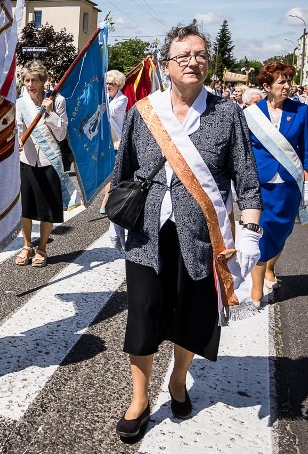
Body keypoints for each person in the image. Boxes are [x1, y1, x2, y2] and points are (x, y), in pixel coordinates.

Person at [110, 22, 262, 439]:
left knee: (189, 316)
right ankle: (139, 399)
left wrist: (249, 233)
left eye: (200, 55)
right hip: (147, 235)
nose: (193, 62)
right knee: (142, 316)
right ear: (166, 65)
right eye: (184, 56)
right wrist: (116, 222)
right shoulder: (144, 113)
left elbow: (246, 180)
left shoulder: (227, 113)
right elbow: (124, 171)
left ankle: (178, 379)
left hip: (201, 237)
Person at [243, 62, 308, 307]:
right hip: (260, 183)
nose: (287, 86)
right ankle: (256, 287)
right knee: (260, 233)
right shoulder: (252, 113)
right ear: (267, 86)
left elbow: (307, 149)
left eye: (288, 81)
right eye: (281, 82)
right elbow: (244, 150)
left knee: (282, 231)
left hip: (289, 182)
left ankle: (270, 266)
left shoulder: (300, 111)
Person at [15, 60, 75, 268]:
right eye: (27, 80)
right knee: (26, 206)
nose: (30, 84)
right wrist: (18, 142)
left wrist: (48, 114)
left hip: (49, 160)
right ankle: (26, 245)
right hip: (27, 160)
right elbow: (18, 129)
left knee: (47, 206)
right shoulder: (20, 104)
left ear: (42, 81)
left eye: (34, 80)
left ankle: (42, 248)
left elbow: (62, 134)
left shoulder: (57, 101)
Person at [99, 69, 128, 214]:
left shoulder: (122, 100)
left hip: (116, 142)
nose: (108, 86)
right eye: (106, 83)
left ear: (119, 85)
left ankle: (107, 200)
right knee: (109, 173)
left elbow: (108, 112)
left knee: (114, 173)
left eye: (112, 83)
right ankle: (109, 199)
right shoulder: (104, 97)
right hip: (105, 142)